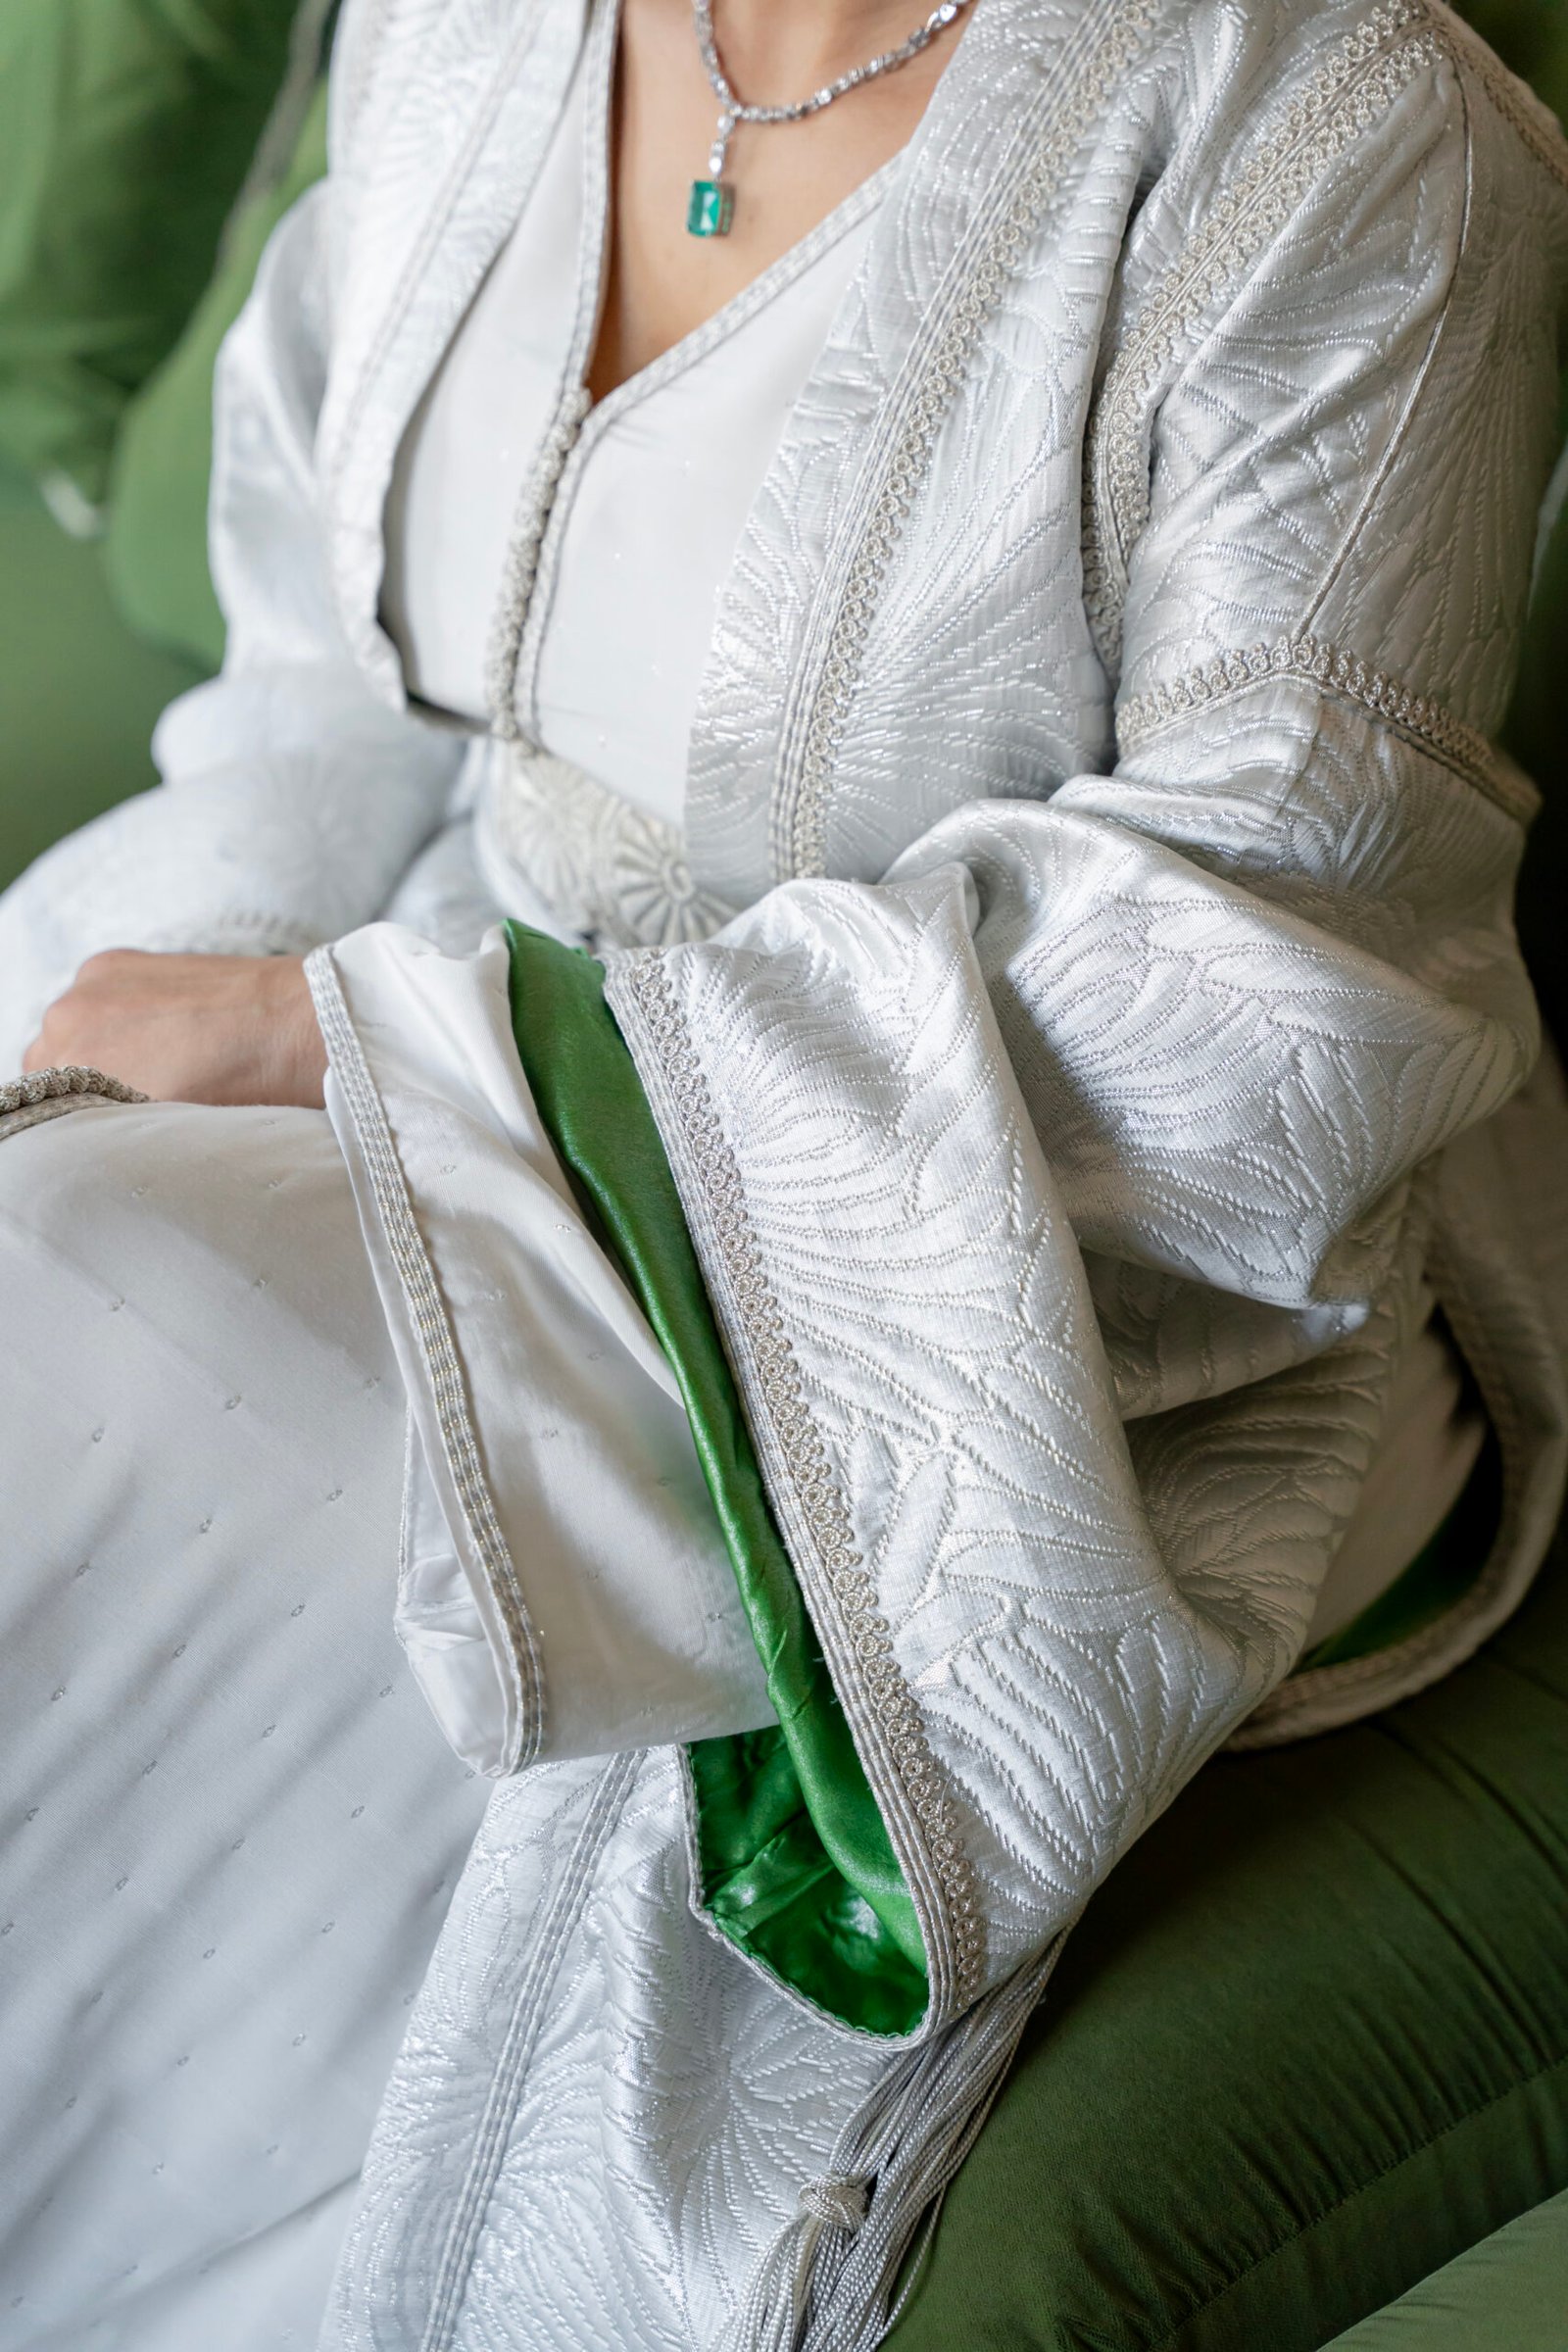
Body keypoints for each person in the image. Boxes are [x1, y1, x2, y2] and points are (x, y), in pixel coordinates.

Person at [3, 0, 1567, 2344]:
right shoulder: (459, 29)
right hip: (443, 1027)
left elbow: (1260, 999)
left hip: (1022, 1275)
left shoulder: (1347, 134)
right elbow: (325, 687)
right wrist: (145, 1029)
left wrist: (399, 1059)